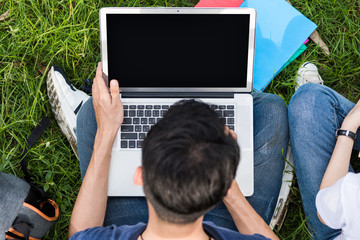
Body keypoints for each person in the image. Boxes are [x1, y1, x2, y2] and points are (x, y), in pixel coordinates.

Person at [47, 63, 289, 239]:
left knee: (91, 114)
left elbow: (80, 234)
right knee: (269, 108)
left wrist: (106, 134)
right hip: (222, 220)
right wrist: (230, 191)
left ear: (140, 175)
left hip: (133, 222)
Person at [288, 62, 360, 240]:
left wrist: (349, 127)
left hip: (336, 226)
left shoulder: (354, 192)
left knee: (307, 102)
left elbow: (327, 205)